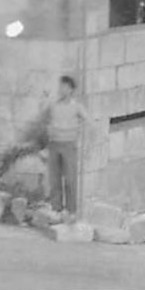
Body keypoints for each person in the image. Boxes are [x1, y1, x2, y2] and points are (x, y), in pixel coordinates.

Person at [44, 74, 88, 217]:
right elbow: (44, 118)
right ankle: (56, 208)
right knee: (54, 179)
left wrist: (83, 138)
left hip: (69, 145)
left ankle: (71, 210)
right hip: (54, 144)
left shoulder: (76, 107)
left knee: (69, 179)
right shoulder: (53, 105)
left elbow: (89, 121)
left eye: (65, 87)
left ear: (71, 90)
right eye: (60, 86)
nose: (61, 90)